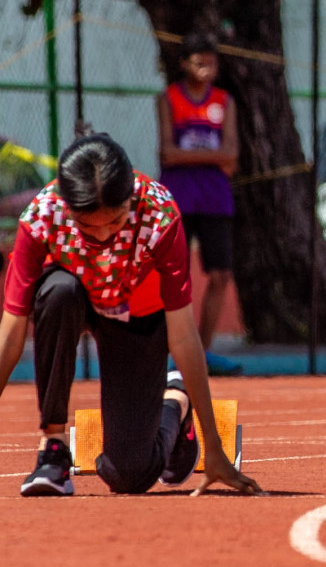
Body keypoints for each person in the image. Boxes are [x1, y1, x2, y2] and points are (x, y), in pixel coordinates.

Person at [0, 135, 261, 497]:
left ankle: (176, 402)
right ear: (67, 206)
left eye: (116, 221)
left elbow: (184, 336)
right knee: (59, 291)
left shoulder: (160, 213)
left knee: (128, 475)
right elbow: (10, 337)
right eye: (89, 227)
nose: (105, 235)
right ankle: (54, 449)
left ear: (131, 199)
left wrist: (214, 447)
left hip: (136, 314)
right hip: (72, 299)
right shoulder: (42, 216)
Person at [155, 31, 242, 376]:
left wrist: (190, 155)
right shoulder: (169, 99)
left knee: (221, 275)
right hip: (178, 197)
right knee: (174, 277)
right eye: (200, 60)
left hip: (215, 198)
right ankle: (170, 352)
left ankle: (201, 353)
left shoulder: (224, 101)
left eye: (212, 60)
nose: (207, 67)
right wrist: (212, 155)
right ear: (184, 64)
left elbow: (232, 156)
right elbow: (166, 153)